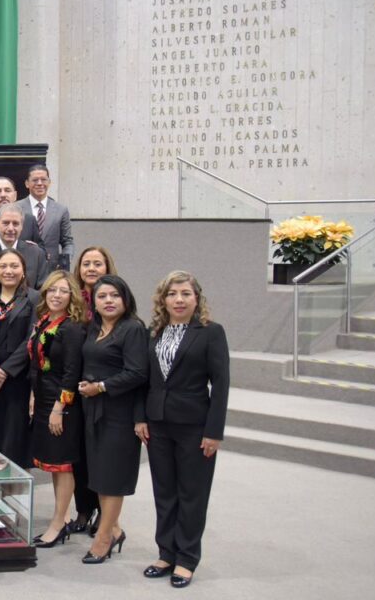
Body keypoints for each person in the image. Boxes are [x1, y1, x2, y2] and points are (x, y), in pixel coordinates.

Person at [137, 272, 230, 588]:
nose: (178, 299)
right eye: (172, 294)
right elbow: (145, 381)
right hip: (158, 424)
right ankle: (166, 553)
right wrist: (141, 418)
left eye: (185, 293)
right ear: (163, 299)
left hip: (195, 426)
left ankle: (187, 559)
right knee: (164, 492)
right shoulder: (155, 332)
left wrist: (214, 431)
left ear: (196, 298)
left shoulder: (211, 332)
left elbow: (220, 384)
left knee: (192, 494)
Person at [78, 274, 148, 565]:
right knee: (100, 478)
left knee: (112, 480)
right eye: (102, 296)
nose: (108, 301)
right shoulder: (94, 328)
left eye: (114, 296)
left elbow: (138, 373)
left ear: (126, 299)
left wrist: (101, 386)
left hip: (119, 414)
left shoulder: (133, 329)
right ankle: (114, 529)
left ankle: (103, 538)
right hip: (93, 412)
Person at [26, 271, 88, 550]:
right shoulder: (44, 321)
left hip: (61, 404)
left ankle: (58, 523)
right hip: (42, 399)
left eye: (63, 291)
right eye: (52, 290)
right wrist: (32, 394)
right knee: (52, 464)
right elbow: (37, 364)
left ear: (71, 295)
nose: (56, 295)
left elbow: (72, 372)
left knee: (62, 465)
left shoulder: (72, 327)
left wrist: (59, 407)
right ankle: (59, 519)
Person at [68, 245, 118, 534]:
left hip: (104, 391)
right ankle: (83, 509)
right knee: (80, 455)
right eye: (86, 263)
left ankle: (105, 513)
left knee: (101, 456)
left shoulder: (114, 301)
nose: (91, 268)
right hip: (75, 388)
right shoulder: (74, 301)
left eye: (97, 263)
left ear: (107, 267)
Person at [0, 249, 40, 463]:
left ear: (23, 271)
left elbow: (33, 336)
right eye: (3, 266)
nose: (8, 271)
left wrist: (5, 370)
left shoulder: (35, 298)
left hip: (17, 380)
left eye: (14, 266)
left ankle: (12, 491)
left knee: (13, 440)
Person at [0, 204, 49, 292]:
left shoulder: (36, 253)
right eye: (6, 223)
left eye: (16, 223)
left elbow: (42, 289)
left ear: (22, 226)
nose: (10, 228)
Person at [21, 164, 75, 270]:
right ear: (27, 183)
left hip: (52, 269)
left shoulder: (61, 210)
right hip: (24, 266)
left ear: (49, 182)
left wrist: (64, 262)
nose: (40, 183)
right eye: (35, 180)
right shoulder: (17, 208)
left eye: (43, 180)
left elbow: (67, 241)